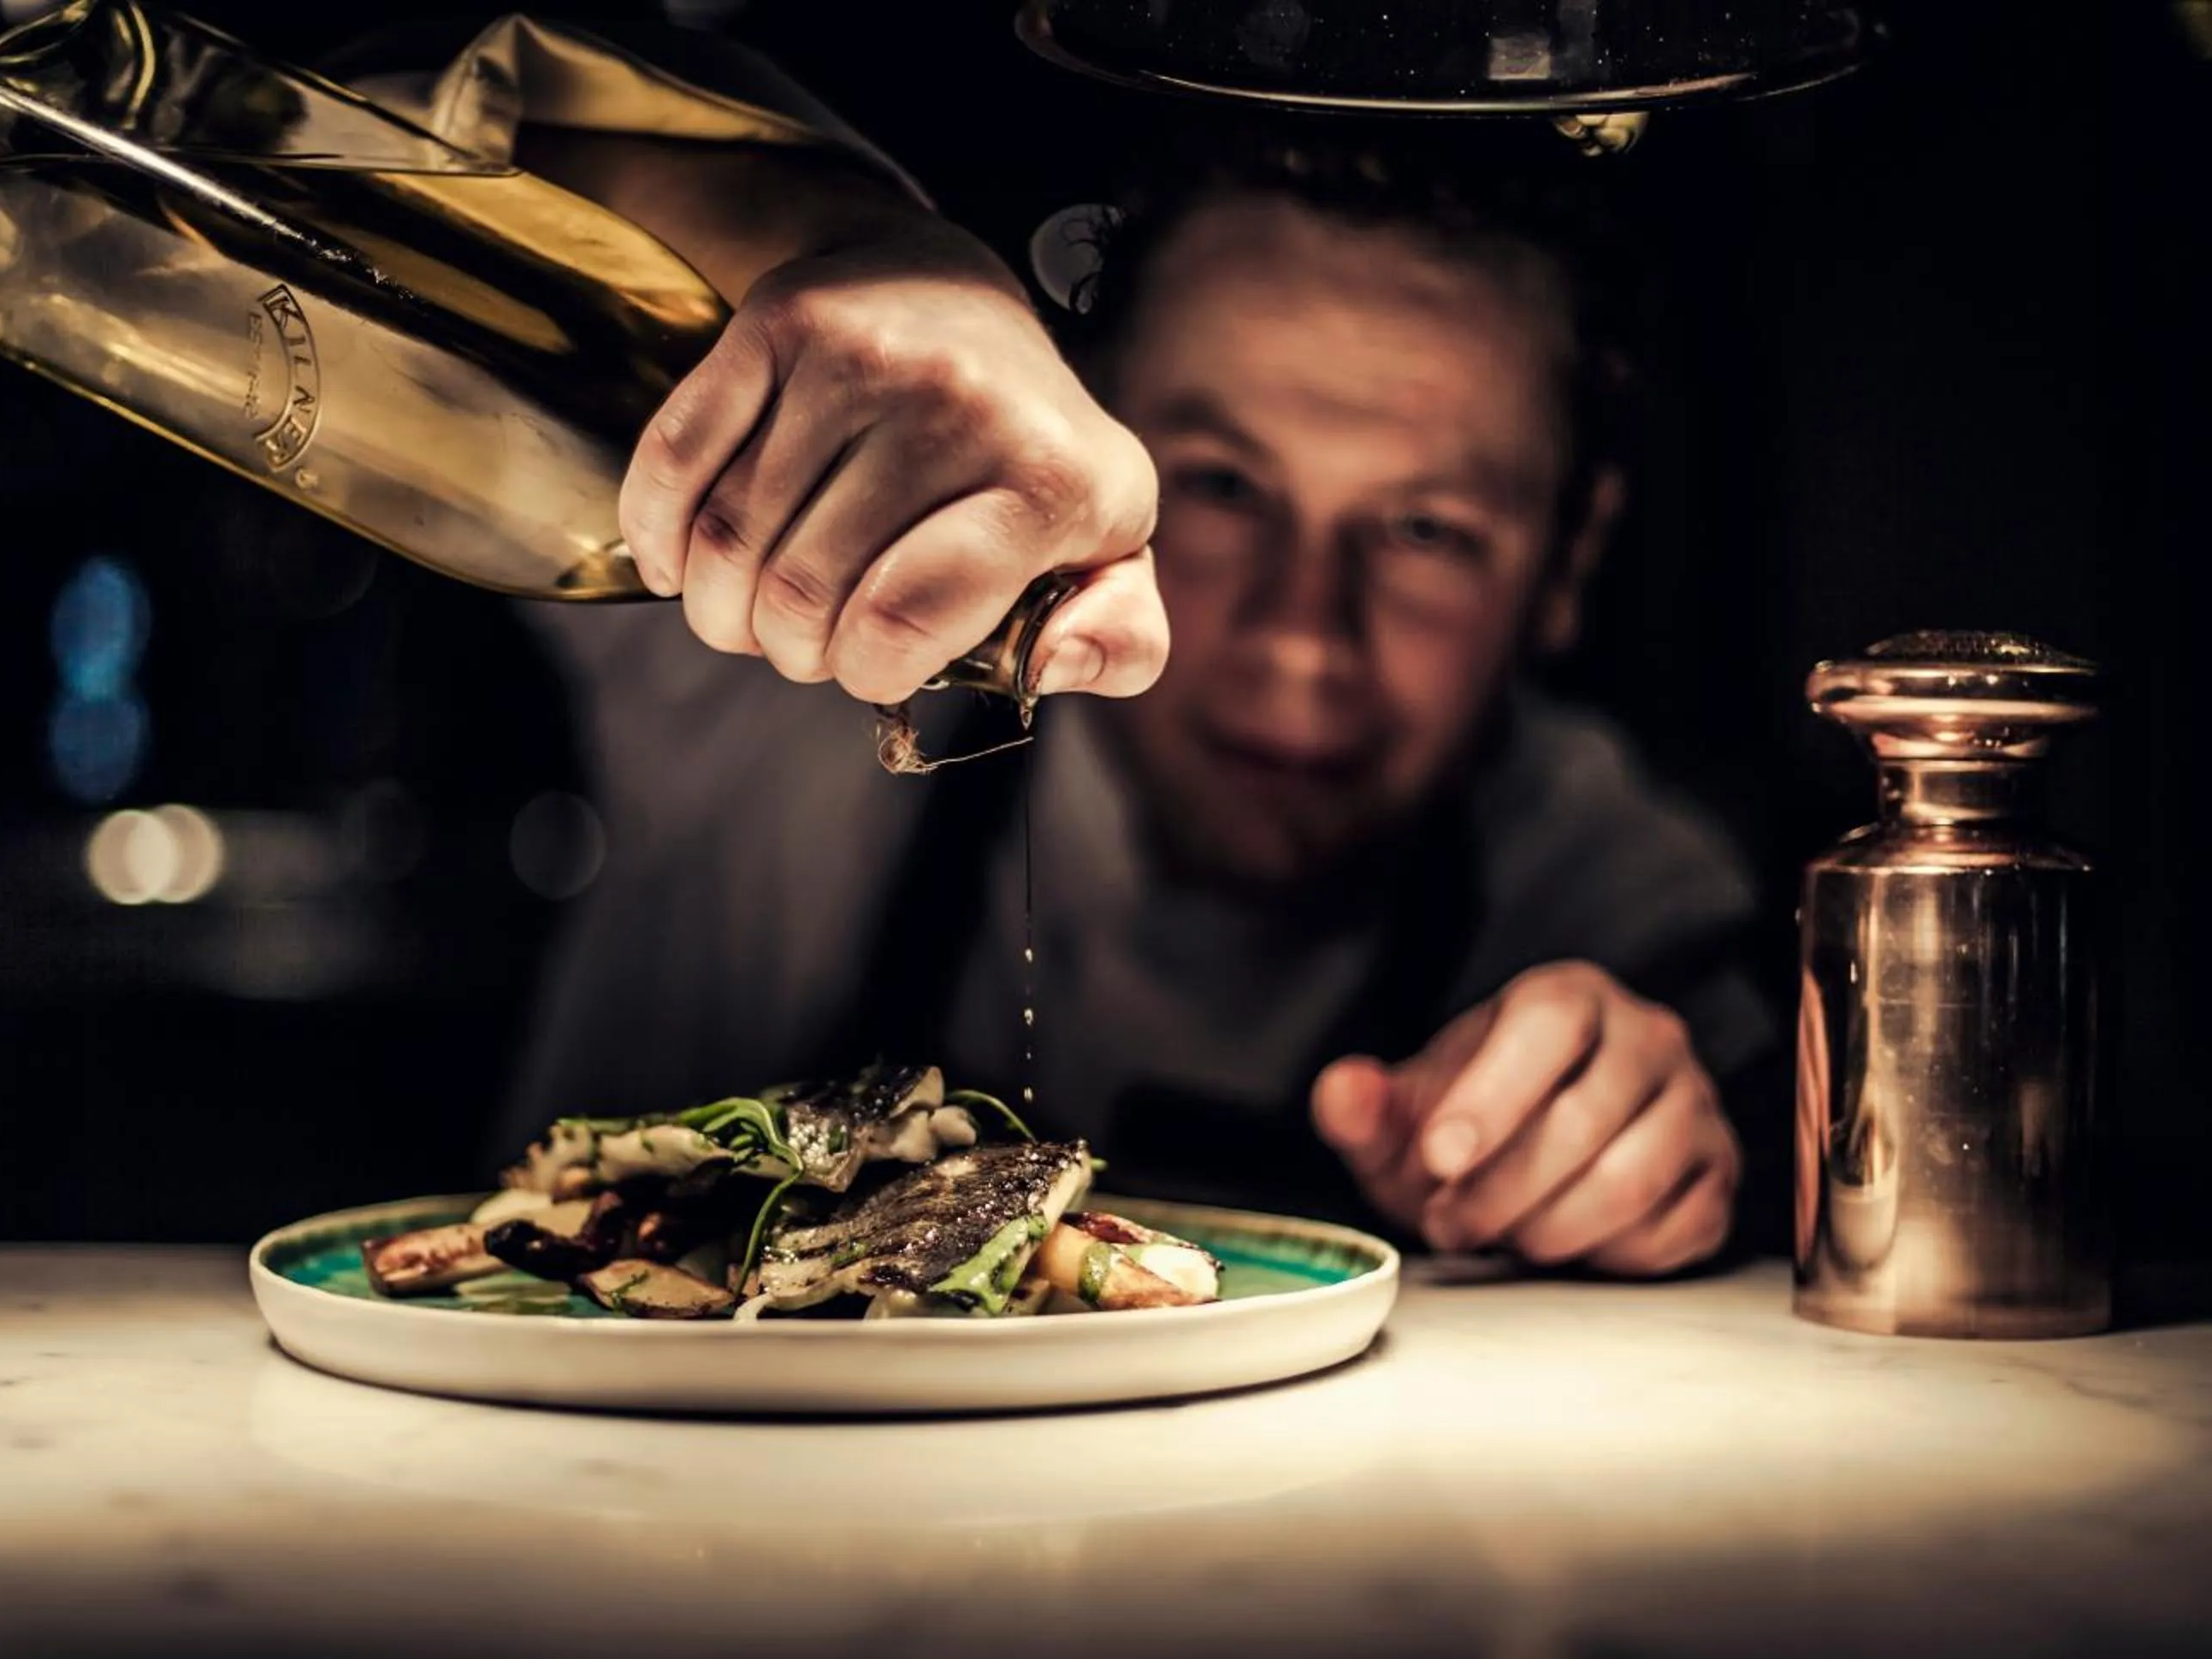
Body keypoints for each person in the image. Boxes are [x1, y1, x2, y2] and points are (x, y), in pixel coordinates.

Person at [344, 15, 1779, 1272]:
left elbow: (1759, 1204)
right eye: (1221, 487)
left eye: (1426, 535)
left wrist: (1638, 1155)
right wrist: (802, 234)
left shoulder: (1610, 894)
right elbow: (344, 130)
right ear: (1089, 427)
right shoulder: (771, 657)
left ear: (1569, 558)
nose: (1301, 640)